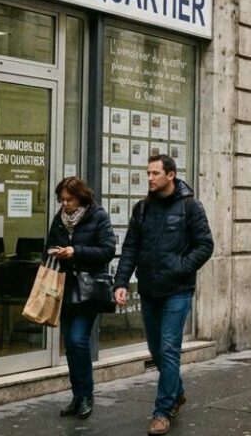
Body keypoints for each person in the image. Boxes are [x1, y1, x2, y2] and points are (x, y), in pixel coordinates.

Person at [113, 155, 215, 436]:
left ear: (171, 175)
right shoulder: (142, 209)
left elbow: (205, 245)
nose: (149, 178)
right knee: (157, 350)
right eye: (148, 172)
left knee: (169, 348)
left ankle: (162, 412)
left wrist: (181, 267)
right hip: (149, 288)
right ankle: (176, 391)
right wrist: (121, 282)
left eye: (155, 173)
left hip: (177, 290)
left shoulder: (190, 206)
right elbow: (131, 248)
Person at [45, 176, 117, 420]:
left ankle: (86, 395)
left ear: (81, 197)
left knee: (77, 340)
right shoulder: (59, 220)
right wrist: (55, 252)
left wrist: (76, 252)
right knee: (71, 345)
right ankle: (77, 396)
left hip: (88, 290)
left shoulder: (97, 216)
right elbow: (49, 245)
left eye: (70, 199)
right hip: (64, 288)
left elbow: (108, 250)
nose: (65, 204)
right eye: (62, 200)